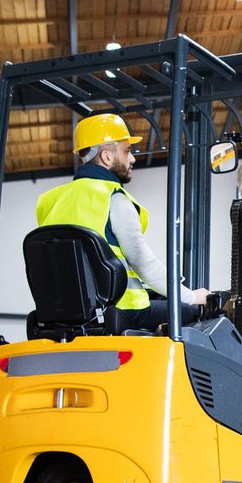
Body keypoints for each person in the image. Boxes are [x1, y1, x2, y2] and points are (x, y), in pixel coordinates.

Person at [35, 112, 209, 331]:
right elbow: (142, 261)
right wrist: (192, 297)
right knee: (201, 313)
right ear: (107, 157)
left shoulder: (48, 201)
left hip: (67, 315)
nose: (132, 158)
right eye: (127, 151)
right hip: (121, 309)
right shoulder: (113, 198)